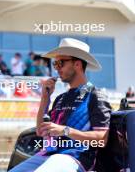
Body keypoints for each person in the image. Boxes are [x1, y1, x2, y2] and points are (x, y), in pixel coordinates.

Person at [9, 38, 111, 172]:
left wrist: (65, 130)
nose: (56, 68)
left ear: (77, 64)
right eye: (55, 64)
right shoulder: (60, 98)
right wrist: (45, 98)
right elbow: (41, 131)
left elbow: (102, 139)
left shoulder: (95, 95)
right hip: (49, 155)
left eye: (60, 63)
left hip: (74, 157)